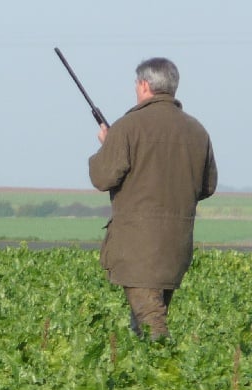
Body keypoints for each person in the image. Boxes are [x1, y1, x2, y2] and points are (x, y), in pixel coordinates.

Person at [88, 57, 218, 340]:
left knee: (151, 323)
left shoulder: (127, 127)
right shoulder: (197, 131)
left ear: (145, 85)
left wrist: (108, 145)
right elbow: (207, 186)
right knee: (145, 321)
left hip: (138, 246)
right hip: (176, 245)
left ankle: (166, 365)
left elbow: (102, 178)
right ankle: (149, 366)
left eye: (137, 84)